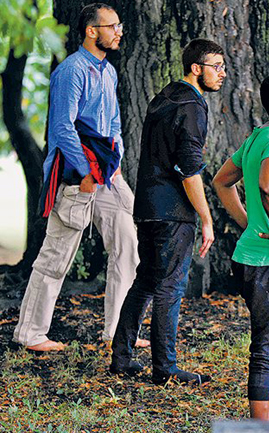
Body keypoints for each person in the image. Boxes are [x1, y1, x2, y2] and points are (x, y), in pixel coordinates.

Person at [13, 3, 143, 352]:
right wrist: (86, 172)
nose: (118, 31)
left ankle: (118, 331)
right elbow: (61, 129)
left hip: (107, 175)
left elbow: (114, 123)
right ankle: (30, 334)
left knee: (128, 245)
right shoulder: (71, 72)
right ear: (91, 31)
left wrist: (113, 164)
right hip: (76, 175)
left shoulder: (109, 72)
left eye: (118, 25)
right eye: (111, 26)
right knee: (56, 256)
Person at [109, 39, 226, 385]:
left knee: (146, 280)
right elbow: (189, 170)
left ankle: (122, 357)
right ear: (196, 68)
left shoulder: (164, 98)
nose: (222, 74)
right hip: (172, 211)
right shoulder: (192, 105)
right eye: (216, 67)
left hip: (146, 205)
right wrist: (206, 218)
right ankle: (166, 367)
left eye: (223, 67)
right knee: (170, 287)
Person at [212, 72, 269, 420]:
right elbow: (268, 186)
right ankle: (262, 428)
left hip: (253, 257)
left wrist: (248, 223)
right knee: (268, 349)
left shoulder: (258, 138)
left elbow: (222, 181)